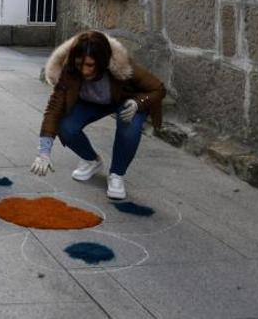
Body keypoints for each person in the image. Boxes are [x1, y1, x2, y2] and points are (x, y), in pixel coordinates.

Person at [30, 31, 166, 200]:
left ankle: (117, 174)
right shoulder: (70, 70)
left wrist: (139, 103)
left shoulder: (121, 65)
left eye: (90, 65)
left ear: (102, 62)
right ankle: (92, 161)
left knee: (129, 123)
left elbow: (158, 88)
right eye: (80, 64)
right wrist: (44, 151)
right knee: (66, 126)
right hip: (90, 102)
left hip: (125, 100)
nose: (84, 71)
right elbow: (54, 108)